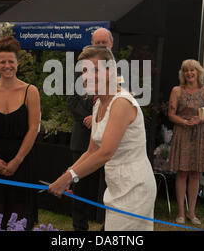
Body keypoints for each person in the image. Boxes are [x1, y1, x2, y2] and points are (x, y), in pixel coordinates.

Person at [48, 45, 156, 231]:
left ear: (111, 70)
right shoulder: (98, 103)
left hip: (135, 186)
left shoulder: (121, 102)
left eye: (95, 70)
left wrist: (69, 177)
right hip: (115, 185)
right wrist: (68, 174)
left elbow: (106, 152)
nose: (88, 76)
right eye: (84, 71)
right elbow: (92, 150)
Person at [0, 36, 40, 229]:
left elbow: (33, 129)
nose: (7, 65)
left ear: (17, 63)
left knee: (18, 214)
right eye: (2, 62)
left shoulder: (31, 91)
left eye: (11, 61)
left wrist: (17, 161)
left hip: (21, 162)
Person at [66, 28, 111, 231]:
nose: (100, 46)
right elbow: (71, 100)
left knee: (109, 187)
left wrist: (99, 117)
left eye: (104, 42)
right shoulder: (79, 69)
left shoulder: (120, 71)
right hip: (83, 137)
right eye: (97, 42)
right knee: (81, 186)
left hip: (110, 139)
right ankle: (79, 227)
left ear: (111, 44)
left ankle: (107, 226)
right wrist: (88, 118)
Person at [168, 59, 204, 225]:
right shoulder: (176, 90)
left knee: (195, 173)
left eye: (192, 70)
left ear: (198, 72)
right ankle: (180, 212)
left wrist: (199, 121)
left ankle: (191, 212)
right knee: (181, 172)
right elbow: (171, 114)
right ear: (183, 73)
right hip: (182, 133)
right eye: (186, 70)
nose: (189, 73)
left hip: (200, 133)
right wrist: (183, 122)